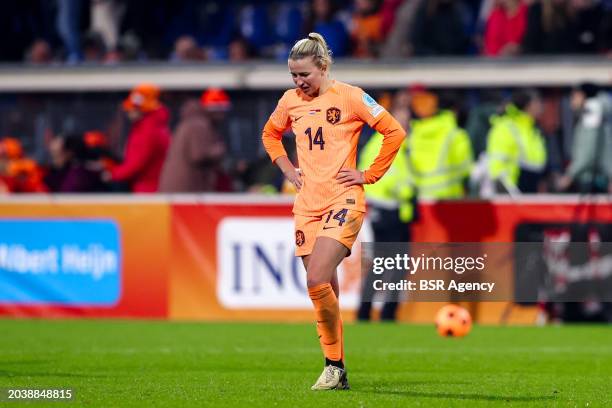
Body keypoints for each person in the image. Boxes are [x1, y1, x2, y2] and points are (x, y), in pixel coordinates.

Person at [261, 32, 406, 391]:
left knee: (315, 280)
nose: (298, 82)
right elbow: (270, 134)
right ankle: (336, 368)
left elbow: (394, 131)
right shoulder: (289, 101)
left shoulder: (352, 96)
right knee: (325, 290)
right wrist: (288, 170)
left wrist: (369, 175)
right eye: (293, 75)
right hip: (307, 205)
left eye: (304, 75)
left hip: (344, 199)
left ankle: (332, 367)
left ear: (323, 67)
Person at [158, 89, 232, 193]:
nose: (223, 115)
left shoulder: (192, 122)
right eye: (221, 110)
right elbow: (198, 154)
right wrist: (219, 150)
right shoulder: (199, 124)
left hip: (179, 188)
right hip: (184, 189)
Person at [106, 83, 171, 192]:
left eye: (132, 108)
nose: (128, 112)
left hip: (146, 190)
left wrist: (112, 174)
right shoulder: (153, 125)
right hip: (151, 188)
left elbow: (136, 163)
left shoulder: (147, 130)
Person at [486, 89, 547, 194]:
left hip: (530, 191)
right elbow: (497, 167)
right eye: (537, 102)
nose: (541, 107)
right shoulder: (505, 127)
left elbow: (536, 162)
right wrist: (509, 192)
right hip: (512, 194)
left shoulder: (533, 129)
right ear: (528, 106)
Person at [557, 83, 612, 193]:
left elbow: (587, 151)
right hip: (601, 176)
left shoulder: (591, 115)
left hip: (590, 178)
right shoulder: (601, 115)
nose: (571, 102)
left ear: (583, 96)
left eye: (574, 97)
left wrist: (569, 175)